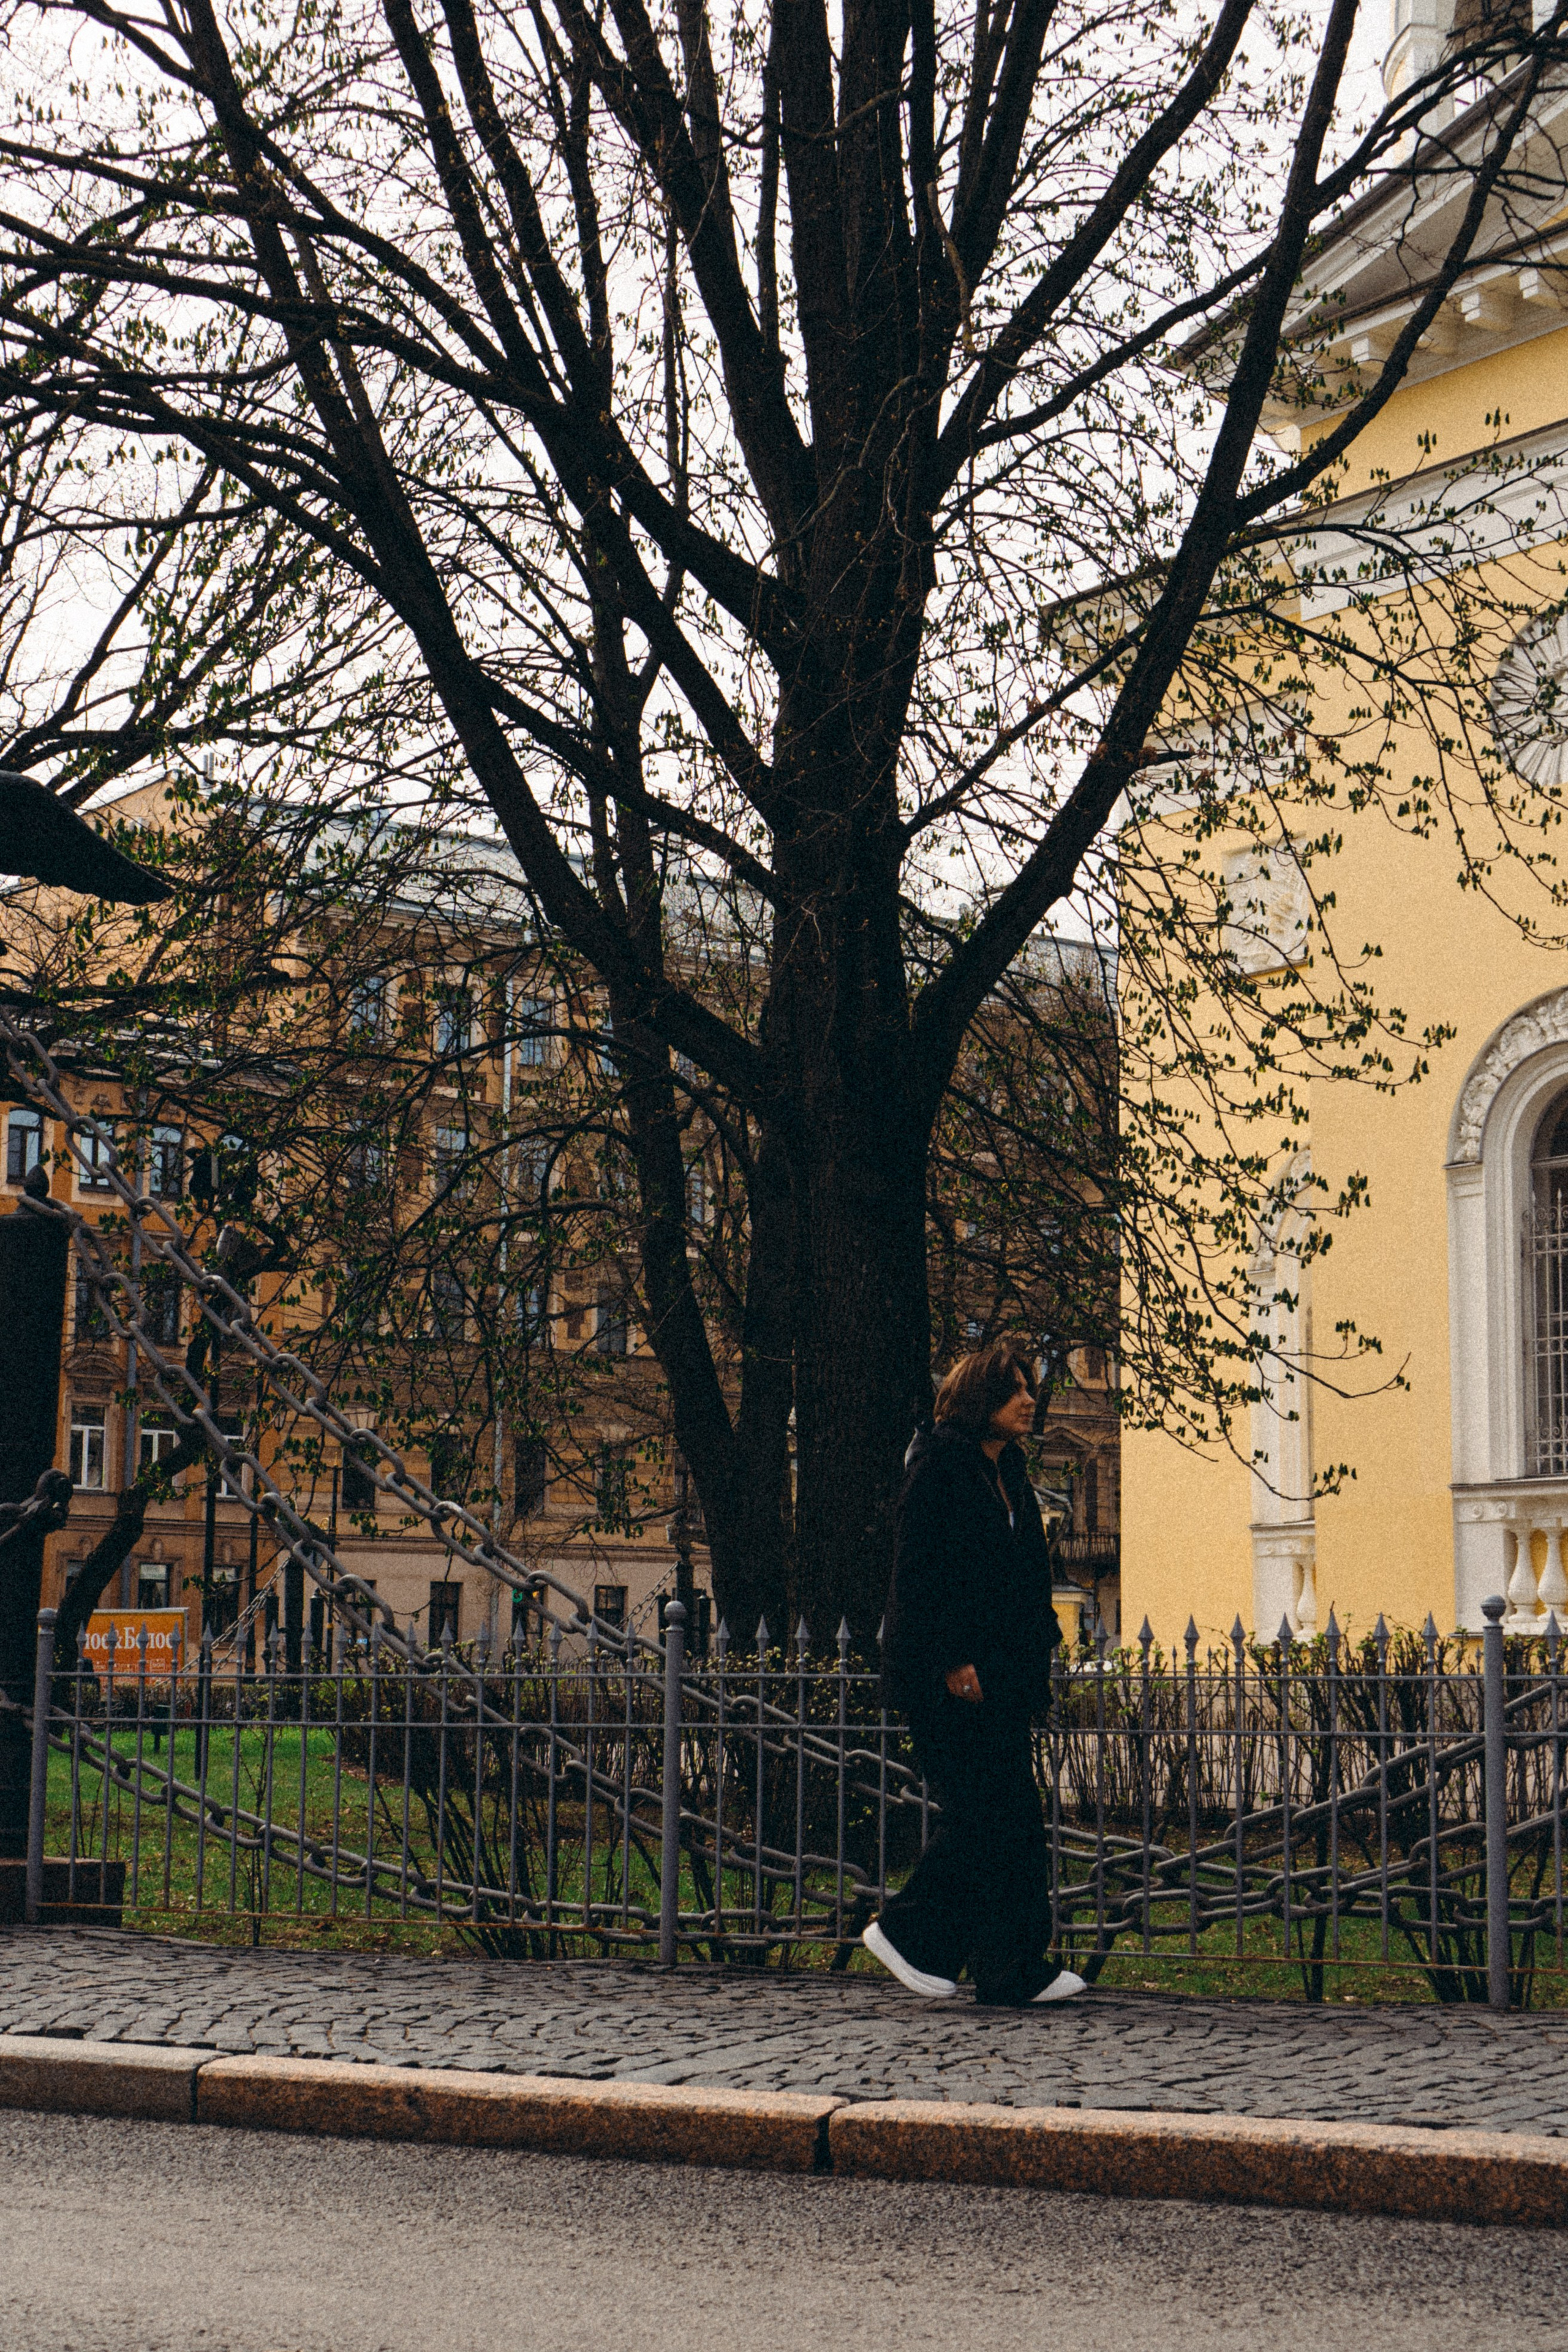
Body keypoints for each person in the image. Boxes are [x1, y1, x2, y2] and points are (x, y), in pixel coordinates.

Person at [864, 1340, 1086, 2007]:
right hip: (950, 1681)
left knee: (1013, 1821)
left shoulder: (1008, 1472)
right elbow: (922, 1577)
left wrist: (1036, 1649)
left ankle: (1009, 1967)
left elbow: (1019, 1578)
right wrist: (953, 1660)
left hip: (1003, 1678)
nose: (1029, 1399)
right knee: (982, 1817)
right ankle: (907, 1933)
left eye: (1030, 1388)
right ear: (979, 1398)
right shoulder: (939, 1468)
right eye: (1016, 1389)